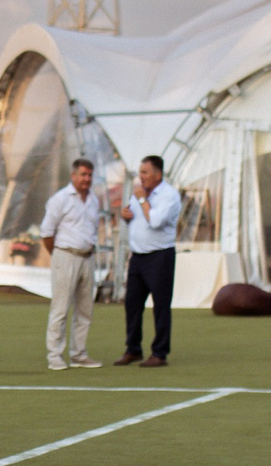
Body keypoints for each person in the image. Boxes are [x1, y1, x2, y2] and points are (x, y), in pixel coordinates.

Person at [114, 154, 180, 370]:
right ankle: (133, 348)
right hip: (138, 256)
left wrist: (142, 200)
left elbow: (155, 221)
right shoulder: (139, 193)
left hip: (160, 256)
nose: (140, 177)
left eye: (144, 172)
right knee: (132, 304)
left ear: (157, 175)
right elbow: (137, 218)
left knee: (160, 305)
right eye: (140, 172)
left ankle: (159, 353)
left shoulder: (169, 195)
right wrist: (126, 215)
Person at [39, 158, 101, 371]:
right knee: (61, 308)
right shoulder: (60, 199)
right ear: (73, 176)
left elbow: (93, 229)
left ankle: (79, 354)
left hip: (87, 257)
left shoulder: (93, 200)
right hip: (66, 255)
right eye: (83, 174)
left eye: (90, 175)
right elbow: (47, 232)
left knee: (85, 309)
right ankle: (54, 355)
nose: (87, 179)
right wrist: (58, 255)